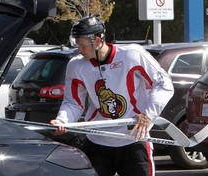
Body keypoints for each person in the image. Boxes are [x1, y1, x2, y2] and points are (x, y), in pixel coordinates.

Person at [50, 15, 174, 176]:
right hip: (97, 141)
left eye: (82, 44)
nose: (79, 49)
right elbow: (73, 102)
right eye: (76, 43)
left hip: (133, 140)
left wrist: (149, 114)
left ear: (97, 40)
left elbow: (164, 83)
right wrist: (62, 121)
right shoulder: (76, 65)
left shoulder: (132, 55)